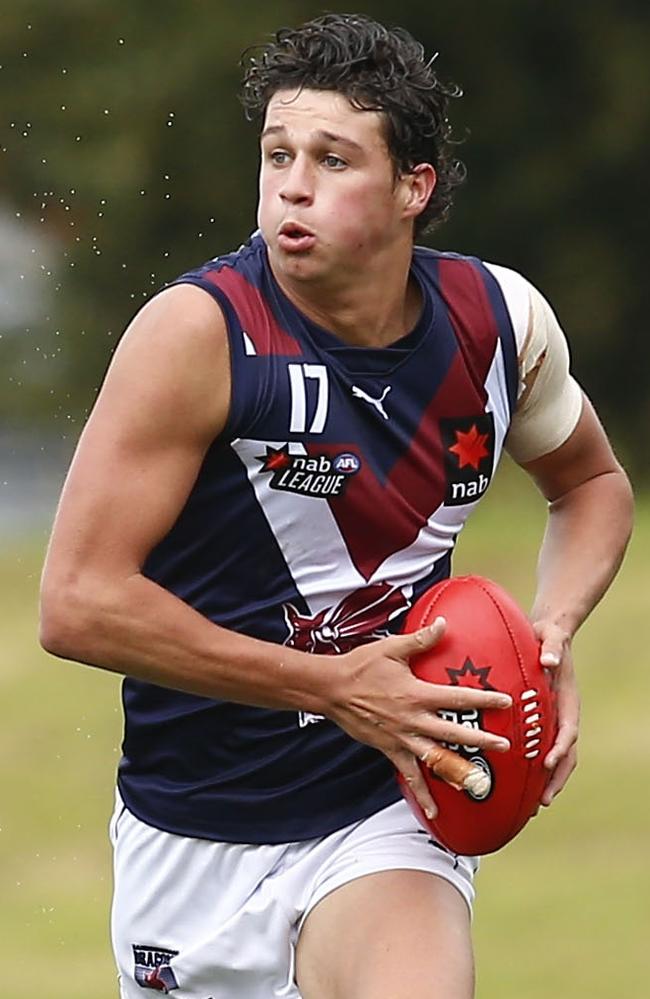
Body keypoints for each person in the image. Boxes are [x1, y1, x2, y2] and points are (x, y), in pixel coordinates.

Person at [39, 13, 633, 999]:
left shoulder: (497, 324)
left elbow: (589, 484)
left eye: (331, 158)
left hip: (385, 807)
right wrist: (332, 686)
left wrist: (551, 635)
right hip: (194, 836)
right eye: (276, 154)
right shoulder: (198, 336)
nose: (291, 185)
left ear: (414, 188)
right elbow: (80, 602)